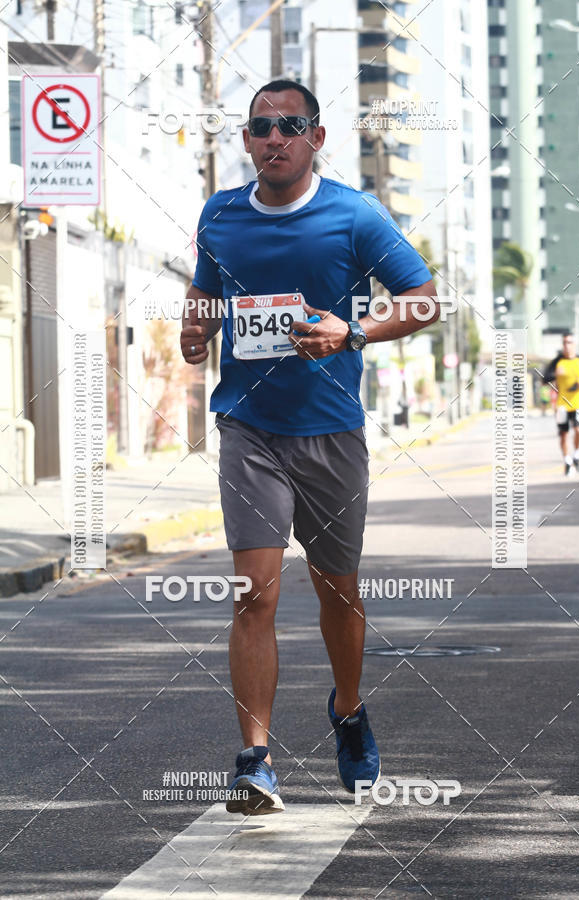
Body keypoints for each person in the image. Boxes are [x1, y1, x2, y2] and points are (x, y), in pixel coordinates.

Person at [180, 80, 438, 815]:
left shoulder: (353, 214)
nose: (274, 138)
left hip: (330, 431)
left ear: (316, 137)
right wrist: (193, 329)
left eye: (289, 125)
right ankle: (255, 761)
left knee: (337, 593)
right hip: (247, 428)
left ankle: (349, 711)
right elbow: (205, 291)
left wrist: (352, 333)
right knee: (254, 594)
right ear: (248, 139)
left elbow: (421, 298)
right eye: (260, 127)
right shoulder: (221, 214)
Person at [542, 332, 579, 475]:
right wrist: (555, 375)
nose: (567, 345)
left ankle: (577, 456)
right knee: (563, 434)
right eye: (565, 342)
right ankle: (567, 461)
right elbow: (544, 379)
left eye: (570, 342)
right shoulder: (557, 361)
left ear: (574, 344)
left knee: (578, 430)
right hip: (562, 405)